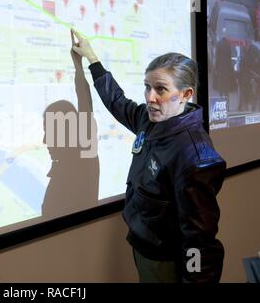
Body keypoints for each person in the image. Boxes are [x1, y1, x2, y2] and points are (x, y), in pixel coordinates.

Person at [71, 29, 226, 283]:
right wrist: (92, 59)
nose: (151, 97)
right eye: (147, 87)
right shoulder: (150, 119)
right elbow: (117, 101)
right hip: (144, 248)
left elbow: (200, 240)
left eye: (161, 89)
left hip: (167, 261)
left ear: (186, 95)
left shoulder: (195, 157)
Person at [41, 34, 100, 219]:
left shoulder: (84, 158)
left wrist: (78, 65)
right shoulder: (79, 160)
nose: (44, 140)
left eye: (49, 132)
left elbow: (85, 102)